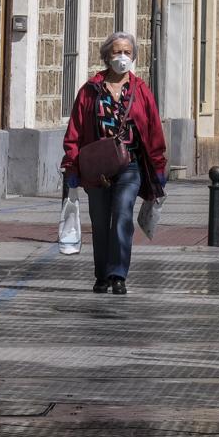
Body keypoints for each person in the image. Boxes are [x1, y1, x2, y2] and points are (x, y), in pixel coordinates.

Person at [61, 32, 167, 295]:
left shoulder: (141, 90)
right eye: (116, 52)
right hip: (96, 167)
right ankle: (101, 275)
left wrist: (159, 167)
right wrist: (72, 167)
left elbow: (154, 130)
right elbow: (75, 130)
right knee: (99, 221)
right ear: (106, 56)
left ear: (133, 57)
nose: (122, 57)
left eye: (127, 52)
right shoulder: (89, 90)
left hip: (129, 165)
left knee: (122, 215)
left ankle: (118, 273)